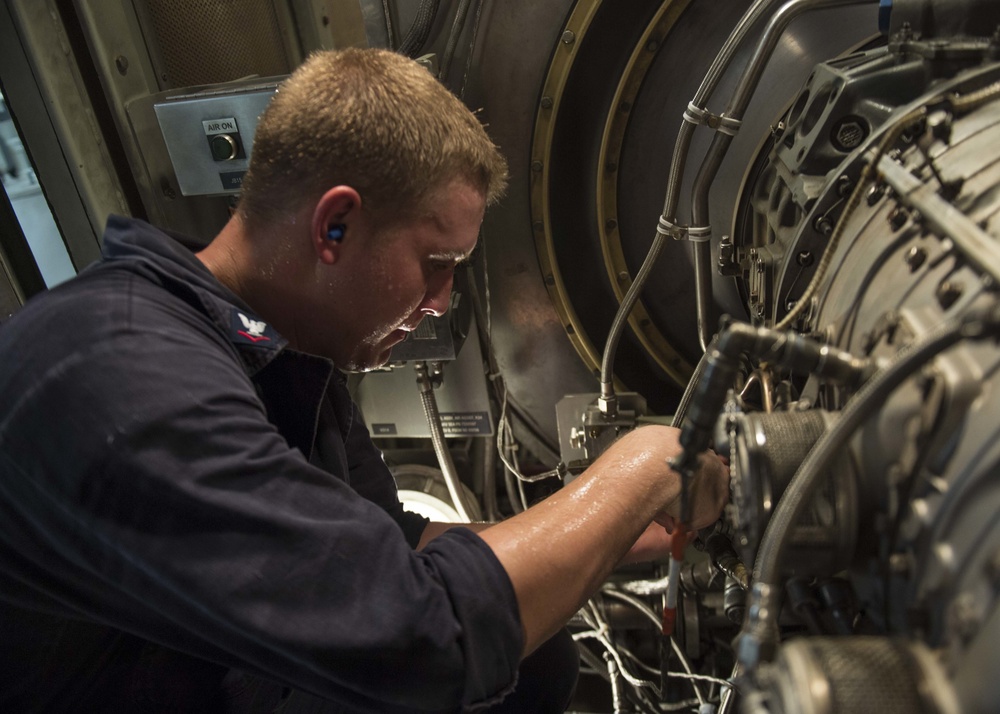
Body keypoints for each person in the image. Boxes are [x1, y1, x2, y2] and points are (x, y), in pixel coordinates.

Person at [0, 48, 729, 712]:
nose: (442, 301)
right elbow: (422, 635)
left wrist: (621, 531)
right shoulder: (122, 364)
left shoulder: (282, 352)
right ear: (335, 227)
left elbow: (395, 538)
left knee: (534, 661)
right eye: (436, 262)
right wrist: (640, 472)